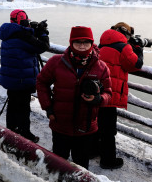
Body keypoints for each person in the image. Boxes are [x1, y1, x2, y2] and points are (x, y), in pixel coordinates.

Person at [36, 26, 112, 169]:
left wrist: (98, 99)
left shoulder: (101, 67)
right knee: (58, 161)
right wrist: (48, 107)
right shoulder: (56, 62)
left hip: (86, 126)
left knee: (81, 164)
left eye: (86, 42)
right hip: (60, 123)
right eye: (78, 42)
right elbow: (42, 82)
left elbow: (108, 93)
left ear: (91, 43)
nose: (82, 46)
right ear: (71, 43)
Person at [95, 22, 144, 169]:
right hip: (111, 93)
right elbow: (136, 64)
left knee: (96, 123)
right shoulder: (124, 47)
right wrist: (138, 49)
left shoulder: (101, 44)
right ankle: (108, 160)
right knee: (108, 130)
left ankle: (92, 151)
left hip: (97, 90)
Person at [0, 9, 50, 143]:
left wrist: (32, 30)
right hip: (21, 79)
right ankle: (24, 134)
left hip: (12, 78)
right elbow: (42, 46)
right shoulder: (22, 36)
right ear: (23, 20)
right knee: (23, 108)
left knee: (13, 106)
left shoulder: (9, 32)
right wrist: (42, 33)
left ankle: (11, 132)